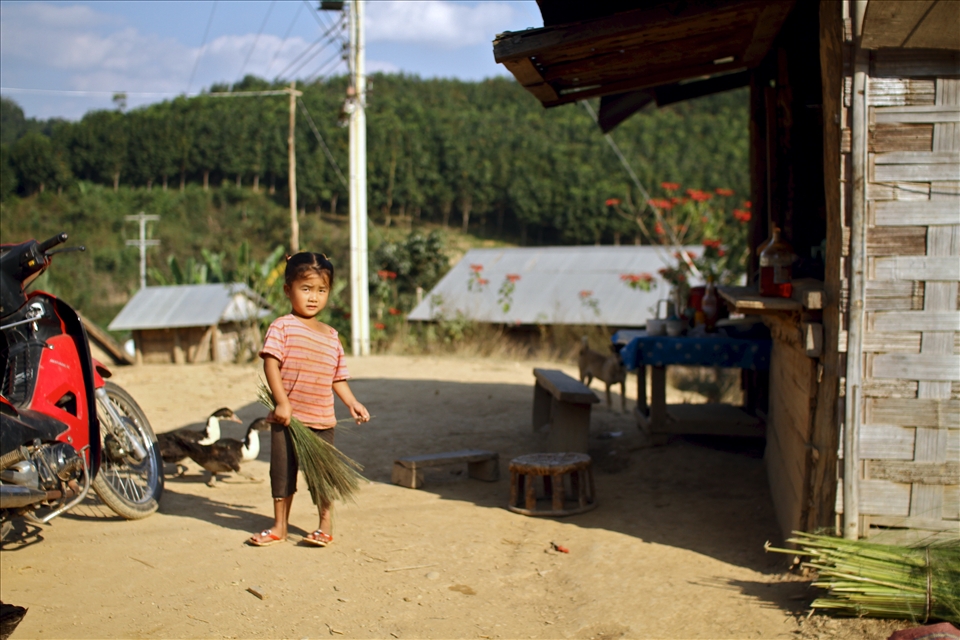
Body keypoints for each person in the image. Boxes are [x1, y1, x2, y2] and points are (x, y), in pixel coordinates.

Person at [248, 252, 369, 547]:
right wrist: (282, 402)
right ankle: (280, 526)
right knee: (282, 472)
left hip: (322, 418)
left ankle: (324, 525)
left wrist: (352, 402)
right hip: (288, 419)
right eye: (306, 289)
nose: (313, 297)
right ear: (288, 289)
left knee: (323, 475)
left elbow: (337, 376)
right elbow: (270, 364)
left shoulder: (331, 335)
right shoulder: (282, 327)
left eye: (321, 290)